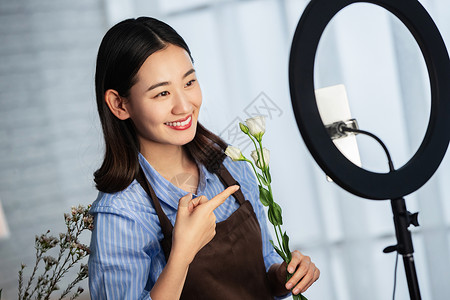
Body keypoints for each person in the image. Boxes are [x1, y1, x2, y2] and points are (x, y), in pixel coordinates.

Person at [88, 16, 320, 299]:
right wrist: (182, 254)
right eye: (162, 93)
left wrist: (284, 275)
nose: (184, 105)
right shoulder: (123, 213)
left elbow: (265, 261)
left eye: (189, 82)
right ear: (120, 104)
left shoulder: (230, 169)